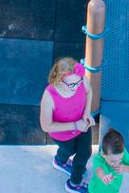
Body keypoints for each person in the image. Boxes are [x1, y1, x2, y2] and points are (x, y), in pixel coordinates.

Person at [40, 57, 94, 192]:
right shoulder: (49, 96)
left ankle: (74, 184)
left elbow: (89, 91)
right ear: (58, 80)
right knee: (68, 151)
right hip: (63, 134)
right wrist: (75, 125)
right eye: (72, 85)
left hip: (82, 125)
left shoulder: (79, 79)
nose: (76, 88)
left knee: (84, 153)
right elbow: (46, 126)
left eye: (78, 83)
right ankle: (60, 161)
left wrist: (87, 113)